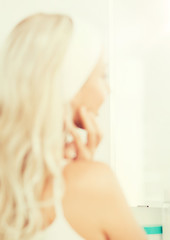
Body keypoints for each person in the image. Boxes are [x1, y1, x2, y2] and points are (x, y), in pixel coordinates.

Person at [0, 13, 146, 239]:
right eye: (102, 75)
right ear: (70, 82)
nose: (107, 89)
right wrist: (87, 172)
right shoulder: (93, 183)